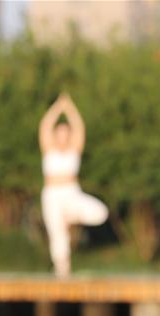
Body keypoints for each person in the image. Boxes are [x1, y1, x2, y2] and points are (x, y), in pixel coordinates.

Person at [38, 93, 108, 276]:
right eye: (59, 133)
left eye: (65, 133)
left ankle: (71, 216)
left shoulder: (74, 149)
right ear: (55, 135)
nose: (62, 136)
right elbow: (45, 126)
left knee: (101, 212)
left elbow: (79, 127)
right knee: (57, 232)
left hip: (71, 193)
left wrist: (69, 108)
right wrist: (57, 107)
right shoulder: (48, 148)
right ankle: (62, 268)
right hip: (52, 195)